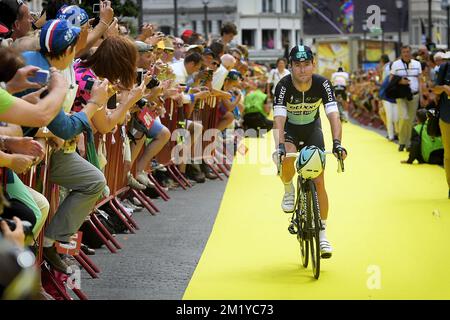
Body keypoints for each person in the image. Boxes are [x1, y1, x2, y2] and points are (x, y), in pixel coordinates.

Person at [273, 45, 347, 259]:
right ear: (291, 66)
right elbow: (279, 119)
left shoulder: (323, 83)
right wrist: (279, 145)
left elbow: (333, 115)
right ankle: (288, 188)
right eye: (297, 65)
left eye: (307, 65)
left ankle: (323, 235)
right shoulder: (283, 85)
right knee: (287, 156)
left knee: (320, 181)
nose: (302, 70)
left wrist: (337, 143)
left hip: (313, 130)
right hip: (290, 131)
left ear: (313, 64)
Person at [390, 45, 422, 152]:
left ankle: (407, 143)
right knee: (404, 117)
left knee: (411, 120)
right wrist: (400, 81)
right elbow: (391, 80)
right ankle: (402, 141)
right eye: (404, 52)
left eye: (408, 51)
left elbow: (420, 80)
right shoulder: (396, 64)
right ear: (401, 53)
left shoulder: (417, 64)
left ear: (411, 52)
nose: (406, 54)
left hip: (414, 94)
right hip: (401, 95)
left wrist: (421, 96)